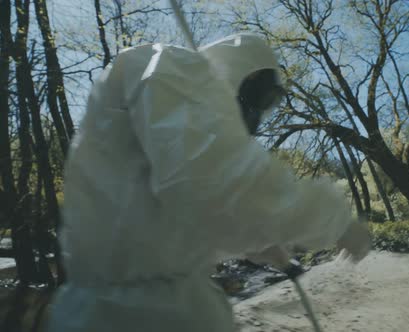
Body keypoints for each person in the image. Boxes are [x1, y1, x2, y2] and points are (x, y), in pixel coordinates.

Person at [47, 33, 370, 332]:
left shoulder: (170, 104)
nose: (258, 113)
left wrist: (266, 247)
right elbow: (212, 182)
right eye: (261, 96)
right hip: (143, 317)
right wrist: (332, 219)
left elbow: (187, 216)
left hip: (122, 311)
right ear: (243, 72)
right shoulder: (167, 66)